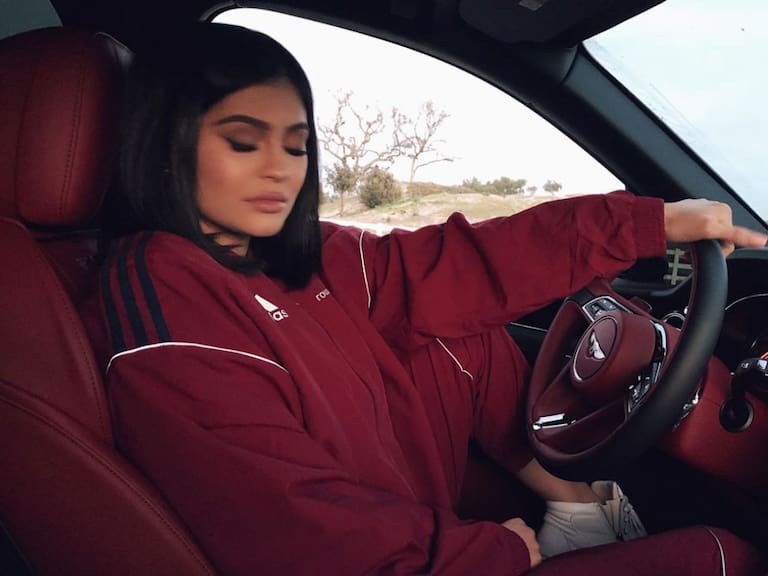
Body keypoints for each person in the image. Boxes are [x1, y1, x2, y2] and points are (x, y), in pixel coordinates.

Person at [82, 22, 768, 576]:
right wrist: (488, 553)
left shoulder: (303, 255)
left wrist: (649, 223)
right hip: (410, 557)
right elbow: (282, 519)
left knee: (456, 314)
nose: (279, 170)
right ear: (165, 143)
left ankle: (578, 507)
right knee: (724, 560)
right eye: (242, 141)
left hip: (421, 515)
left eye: (296, 147)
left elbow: (460, 266)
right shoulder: (161, 295)